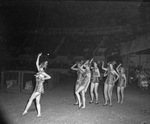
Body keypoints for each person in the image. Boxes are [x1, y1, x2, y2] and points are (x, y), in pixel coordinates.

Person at [22, 53, 51, 117]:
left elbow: (49, 77)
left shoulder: (42, 72)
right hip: (37, 88)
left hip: (39, 88)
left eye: (40, 65)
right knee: (37, 102)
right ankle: (39, 114)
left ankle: (25, 110)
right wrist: (38, 56)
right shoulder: (39, 71)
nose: (38, 65)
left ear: (41, 66)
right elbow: (36, 63)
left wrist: (43, 78)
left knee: (30, 99)